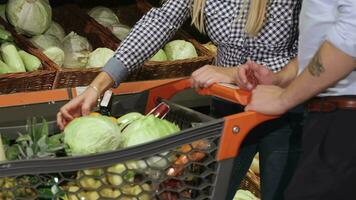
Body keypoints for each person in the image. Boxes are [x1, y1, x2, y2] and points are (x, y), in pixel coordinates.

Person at [57, 0, 302, 199]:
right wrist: (96, 87)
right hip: (228, 104)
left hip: (284, 106)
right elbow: (161, 21)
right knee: (213, 191)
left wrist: (231, 72)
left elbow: (317, 52)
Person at [245, 0, 356, 199]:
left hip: (343, 119)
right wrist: (281, 78)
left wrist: (284, 99)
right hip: (328, 116)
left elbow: (350, 40)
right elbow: (322, 42)